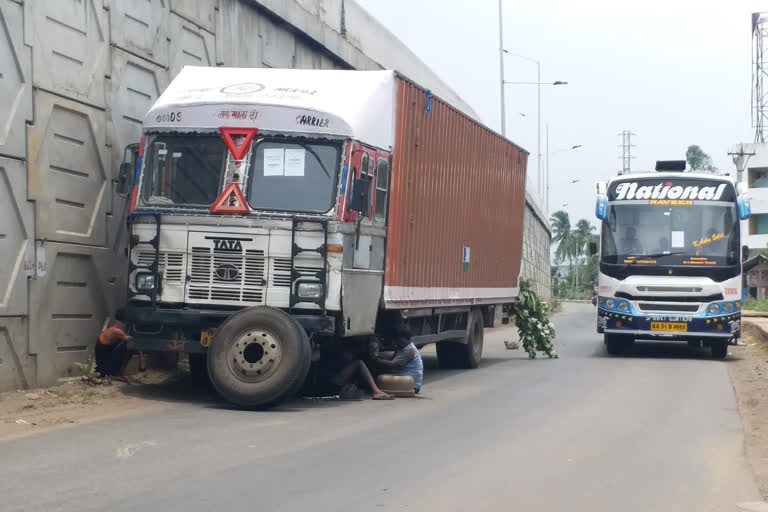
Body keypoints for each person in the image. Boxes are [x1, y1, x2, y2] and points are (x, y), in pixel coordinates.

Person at [320, 346, 393, 400]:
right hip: (332, 383)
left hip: (328, 383)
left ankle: (375, 391)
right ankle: (376, 391)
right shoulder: (337, 351)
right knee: (359, 363)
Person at [375, 327, 424, 394]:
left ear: (405, 338)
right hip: (406, 381)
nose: (396, 341)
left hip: (411, 385)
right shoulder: (402, 347)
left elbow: (392, 364)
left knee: (381, 378)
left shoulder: (409, 350)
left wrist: (376, 360)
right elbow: (392, 358)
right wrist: (380, 357)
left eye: (398, 339)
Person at [94, 312, 132, 377]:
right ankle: (118, 373)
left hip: (101, 365)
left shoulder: (111, 329)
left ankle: (116, 372)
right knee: (128, 344)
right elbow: (133, 340)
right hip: (104, 367)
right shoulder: (116, 331)